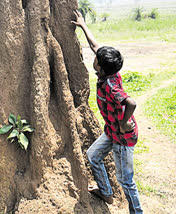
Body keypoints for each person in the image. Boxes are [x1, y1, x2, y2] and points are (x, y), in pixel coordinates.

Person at [71, 10, 143, 214]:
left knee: (126, 181)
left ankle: (137, 212)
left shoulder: (111, 85)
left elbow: (131, 102)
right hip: (111, 131)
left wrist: (124, 122)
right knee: (93, 155)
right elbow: (96, 47)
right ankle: (106, 193)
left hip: (122, 138)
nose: (94, 57)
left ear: (100, 68)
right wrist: (83, 25)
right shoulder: (109, 70)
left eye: (96, 59)